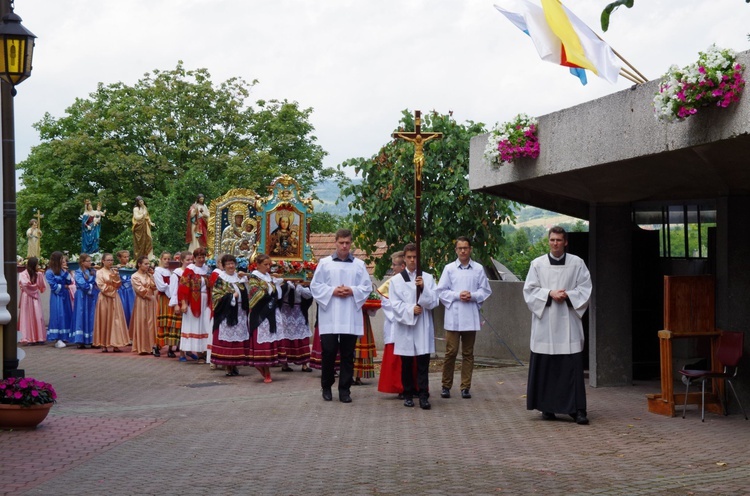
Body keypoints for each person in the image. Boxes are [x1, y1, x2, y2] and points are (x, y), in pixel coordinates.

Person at [524, 226, 592, 425]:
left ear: (565, 242)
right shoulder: (537, 264)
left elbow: (586, 288)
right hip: (545, 323)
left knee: (571, 368)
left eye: (559, 240)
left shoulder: (577, 263)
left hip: (568, 323)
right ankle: (547, 408)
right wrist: (549, 294)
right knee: (546, 367)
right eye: (552, 240)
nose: (555, 243)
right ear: (548, 241)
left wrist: (568, 295)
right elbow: (529, 291)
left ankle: (577, 410)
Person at [310, 229, 371, 403]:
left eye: (347, 243)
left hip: (349, 316)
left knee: (347, 354)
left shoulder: (359, 265)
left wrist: (351, 290)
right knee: (328, 352)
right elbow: (315, 286)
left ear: (351, 243)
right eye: (341, 242)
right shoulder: (325, 263)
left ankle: (344, 389)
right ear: (335, 242)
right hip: (330, 315)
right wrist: (333, 291)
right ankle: (326, 386)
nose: (344, 246)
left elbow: (366, 287)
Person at [437, 236, 492, 400]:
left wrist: (473, 296)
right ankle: (446, 386)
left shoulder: (478, 269)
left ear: (470, 249)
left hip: (470, 315)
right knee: (451, 352)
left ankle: (465, 387)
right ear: (456, 250)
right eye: (460, 248)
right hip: (453, 315)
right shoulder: (449, 269)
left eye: (465, 248)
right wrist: (456, 295)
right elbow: (441, 291)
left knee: (468, 353)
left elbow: (485, 290)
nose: (463, 251)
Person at [390, 243, 440, 409]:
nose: (412, 260)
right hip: (406, 325)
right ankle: (408, 394)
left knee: (423, 362)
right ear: (404, 258)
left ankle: (424, 395)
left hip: (423, 325)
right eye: (409, 257)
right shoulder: (396, 280)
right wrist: (411, 309)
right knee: (406, 363)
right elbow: (395, 304)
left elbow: (434, 301)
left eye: (415, 257)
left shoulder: (428, 277)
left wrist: (424, 288)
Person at [211, 254, 251, 377]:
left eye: (232, 263)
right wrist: (231, 297)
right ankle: (228, 366)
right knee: (228, 341)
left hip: (240, 313)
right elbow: (215, 296)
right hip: (226, 314)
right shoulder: (221, 279)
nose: (231, 266)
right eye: (228, 264)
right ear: (223, 266)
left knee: (238, 339)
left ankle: (235, 365)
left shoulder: (239, 278)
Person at [246, 254, 283, 383]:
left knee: (270, 339)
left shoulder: (268, 277)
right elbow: (255, 293)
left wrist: (276, 287)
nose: (268, 267)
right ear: (258, 264)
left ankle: (267, 368)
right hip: (260, 313)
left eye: (269, 265)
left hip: (271, 311)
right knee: (262, 341)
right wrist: (270, 292)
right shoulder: (254, 277)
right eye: (265, 265)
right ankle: (264, 369)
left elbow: (276, 294)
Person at [377, 251, 408, 396]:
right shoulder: (390, 283)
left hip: (410, 323)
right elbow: (386, 304)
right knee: (396, 360)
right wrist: (402, 314)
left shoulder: (411, 280)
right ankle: (398, 386)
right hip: (395, 324)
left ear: (403, 266)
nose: (392, 267)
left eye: (395, 265)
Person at [178, 247, 212, 364]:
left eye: (203, 257)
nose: (202, 259)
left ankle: (204, 352)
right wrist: (183, 303)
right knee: (195, 325)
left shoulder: (207, 269)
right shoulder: (190, 270)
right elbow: (183, 287)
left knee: (205, 325)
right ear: (195, 258)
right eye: (199, 257)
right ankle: (197, 352)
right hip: (193, 301)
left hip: (206, 300)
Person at [93, 253, 130, 353]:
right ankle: (104, 344)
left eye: (112, 260)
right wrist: (113, 289)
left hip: (114, 298)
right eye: (108, 260)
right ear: (103, 261)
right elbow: (101, 285)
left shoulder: (114, 271)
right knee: (105, 320)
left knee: (116, 320)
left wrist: (116, 279)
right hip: (104, 298)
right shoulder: (99, 272)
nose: (110, 262)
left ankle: (116, 344)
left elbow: (118, 284)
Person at [277, 281, 313, 372]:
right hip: (286, 312)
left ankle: (304, 364)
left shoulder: (302, 286)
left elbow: (308, 296)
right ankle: (284, 364)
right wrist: (288, 285)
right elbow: (280, 294)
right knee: (285, 338)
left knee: (302, 337)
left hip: (299, 312)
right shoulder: (284, 284)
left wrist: (299, 286)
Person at [130, 255, 158, 355]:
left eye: (148, 264)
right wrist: (150, 294)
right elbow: (140, 290)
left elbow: (155, 287)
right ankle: (142, 347)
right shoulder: (134, 276)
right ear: (139, 264)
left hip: (151, 302)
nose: (147, 266)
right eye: (145, 264)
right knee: (142, 322)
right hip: (142, 301)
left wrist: (152, 276)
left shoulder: (148, 275)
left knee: (151, 322)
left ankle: (152, 345)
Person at [45, 251, 74, 346]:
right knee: (58, 315)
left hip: (65, 296)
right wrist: (63, 287)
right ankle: (57, 337)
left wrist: (66, 272)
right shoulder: (49, 272)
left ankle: (65, 336)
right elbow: (53, 286)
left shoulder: (62, 270)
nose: (63, 261)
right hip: (57, 296)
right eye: (61, 259)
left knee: (66, 314)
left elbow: (69, 282)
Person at [169, 251, 193, 359]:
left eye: (191, 259)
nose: (190, 262)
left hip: (191, 302)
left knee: (190, 327)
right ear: (182, 260)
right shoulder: (177, 273)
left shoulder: (193, 272)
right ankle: (182, 352)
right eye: (187, 260)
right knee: (181, 329)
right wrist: (175, 305)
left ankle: (189, 350)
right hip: (181, 302)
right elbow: (173, 290)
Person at [71, 253, 98, 349]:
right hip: (82, 296)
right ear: (82, 262)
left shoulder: (93, 271)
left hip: (91, 297)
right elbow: (82, 284)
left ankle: (92, 340)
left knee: (91, 316)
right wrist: (91, 286)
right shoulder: (78, 272)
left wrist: (92, 285)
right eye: (88, 261)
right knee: (81, 315)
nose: (90, 262)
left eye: (90, 261)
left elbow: (96, 282)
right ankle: (80, 340)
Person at [18, 257, 46, 345]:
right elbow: (25, 284)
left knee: (38, 315)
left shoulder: (39, 274)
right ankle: (28, 338)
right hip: (27, 297)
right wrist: (36, 287)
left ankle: (39, 337)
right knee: (27, 317)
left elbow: (42, 286)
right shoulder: (23, 274)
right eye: (37, 264)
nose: (38, 266)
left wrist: (39, 278)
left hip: (33, 297)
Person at [153, 252, 174, 357]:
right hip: (164, 298)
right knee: (163, 323)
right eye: (165, 259)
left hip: (171, 298)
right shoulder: (157, 271)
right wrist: (171, 288)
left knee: (171, 323)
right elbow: (161, 287)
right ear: (161, 259)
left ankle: (170, 348)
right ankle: (157, 346)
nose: (167, 261)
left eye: (169, 259)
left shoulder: (170, 272)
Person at [116, 250, 136, 328]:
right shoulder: (117, 268)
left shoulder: (131, 267)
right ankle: (122, 329)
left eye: (128, 257)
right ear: (119, 258)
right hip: (121, 291)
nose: (127, 259)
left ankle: (131, 328)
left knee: (131, 308)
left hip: (130, 291)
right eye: (124, 257)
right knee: (123, 309)